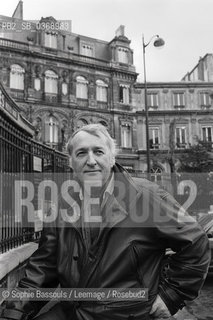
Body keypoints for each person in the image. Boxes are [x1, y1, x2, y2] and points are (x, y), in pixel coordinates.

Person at [0, 124, 210, 320]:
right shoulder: (63, 205)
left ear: (111, 158)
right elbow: (44, 267)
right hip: (72, 311)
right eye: (81, 153)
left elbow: (196, 242)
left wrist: (171, 295)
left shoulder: (145, 195)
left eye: (98, 152)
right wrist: (13, 312)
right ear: (71, 162)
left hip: (128, 314)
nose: (90, 160)